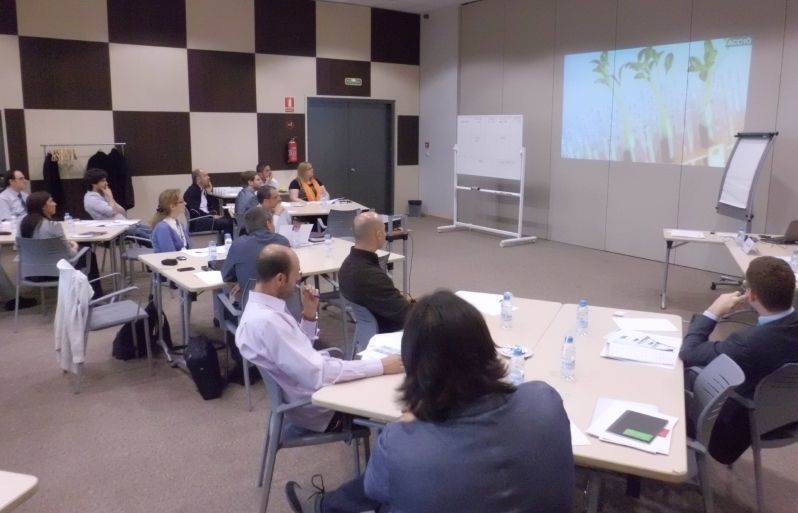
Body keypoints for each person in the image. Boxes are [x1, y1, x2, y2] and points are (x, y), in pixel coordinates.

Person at [285, 290, 575, 513]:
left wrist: (410, 423)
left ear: (415, 366)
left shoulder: (402, 442)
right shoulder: (544, 400)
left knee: (392, 492)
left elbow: (374, 488)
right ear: (487, 348)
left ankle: (324, 507)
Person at [235, 244, 404, 433]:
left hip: (309, 388)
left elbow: (296, 353)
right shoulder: (268, 323)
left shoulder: (258, 309)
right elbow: (319, 373)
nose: (299, 278)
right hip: (320, 406)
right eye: (297, 272)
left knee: (378, 373)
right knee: (394, 393)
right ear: (280, 279)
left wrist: (308, 315)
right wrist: (381, 366)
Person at [680, 255, 798, 464]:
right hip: (788, 418)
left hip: (735, 429)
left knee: (675, 376)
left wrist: (713, 311)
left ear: (751, 295)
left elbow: (689, 353)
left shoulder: (747, 343)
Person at [19, 191, 102, 297]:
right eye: (51, 201)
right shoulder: (53, 226)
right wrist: (74, 245)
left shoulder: (21, 225)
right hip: (58, 272)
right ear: (43, 207)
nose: (55, 204)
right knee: (89, 253)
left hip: (31, 273)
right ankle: (96, 296)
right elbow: (71, 255)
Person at [339, 211, 411, 333]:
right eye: (384, 230)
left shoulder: (346, 266)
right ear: (378, 234)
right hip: (390, 333)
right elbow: (406, 314)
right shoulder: (370, 276)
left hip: (367, 331)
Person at [82, 168, 152, 240]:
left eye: (106, 180)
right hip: (115, 230)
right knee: (149, 237)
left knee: (153, 230)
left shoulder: (103, 194)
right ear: (93, 184)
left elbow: (122, 211)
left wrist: (110, 199)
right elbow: (111, 212)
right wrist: (110, 197)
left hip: (124, 224)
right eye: (103, 181)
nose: (106, 183)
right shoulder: (91, 199)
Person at [183, 168, 234, 243]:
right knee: (230, 223)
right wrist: (210, 216)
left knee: (230, 220)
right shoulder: (192, 191)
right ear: (198, 179)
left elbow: (209, 206)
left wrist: (210, 193)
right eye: (205, 176)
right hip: (199, 222)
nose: (209, 177)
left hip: (206, 218)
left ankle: (224, 243)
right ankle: (227, 245)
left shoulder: (202, 190)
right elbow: (195, 212)